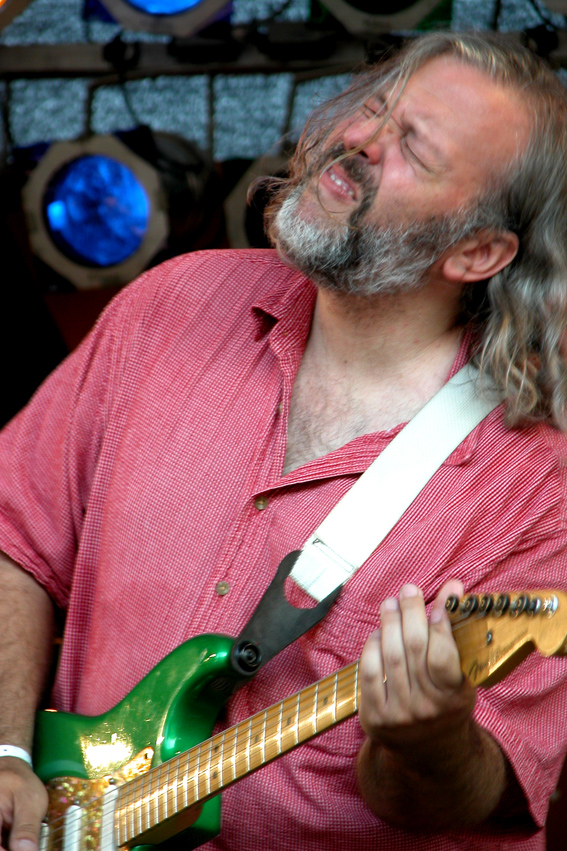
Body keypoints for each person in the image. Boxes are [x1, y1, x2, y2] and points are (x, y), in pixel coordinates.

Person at [0, 30, 567, 851]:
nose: (359, 140)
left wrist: (429, 738)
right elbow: (14, 535)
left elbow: (465, 798)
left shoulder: (539, 490)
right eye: (376, 108)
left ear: (476, 251)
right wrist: (10, 752)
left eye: (413, 147)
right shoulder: (172, 303)